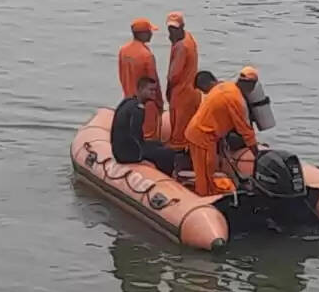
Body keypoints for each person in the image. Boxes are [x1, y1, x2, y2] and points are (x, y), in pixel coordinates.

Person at [183, 67, 260, 197]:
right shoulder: (236, 100)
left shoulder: (226, 86)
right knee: (205, 177)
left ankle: (207, 193)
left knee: (208, 172)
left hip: (201, 134)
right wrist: (257, 155)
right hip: (203, 138)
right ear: (251, 86)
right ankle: (206, 199)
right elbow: (246, 131)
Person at [111, 76, 176, 174]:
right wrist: (141, 155)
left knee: (158, 144)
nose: (154, 93)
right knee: (168, 153)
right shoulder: (138, 109)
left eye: (155, 90)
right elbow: (135, 134)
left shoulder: (128, 101)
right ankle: (166, 177)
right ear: (140, 89)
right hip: (128, 154)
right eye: (150, 90)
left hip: (118, 151)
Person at [117, 18, 162, 140]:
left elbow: (121, 75)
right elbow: (153, 82)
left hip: (128, 99)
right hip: (146, 103)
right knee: (148, 135)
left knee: (132, 132)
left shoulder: (123, 51)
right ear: (142, 34)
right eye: (149, 31)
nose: (152, 34)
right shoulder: (147, 55)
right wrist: (159, 102)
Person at [163, 11, 200, 151]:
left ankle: (177, 159)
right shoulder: (189, 39)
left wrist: (168, 90)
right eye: (170, 28)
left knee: (179, 135)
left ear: (182, 26)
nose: (172, 32)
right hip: (192, 91)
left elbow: (174, 75)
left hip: (181, 93)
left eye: (175, 29)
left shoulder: (181, 47)